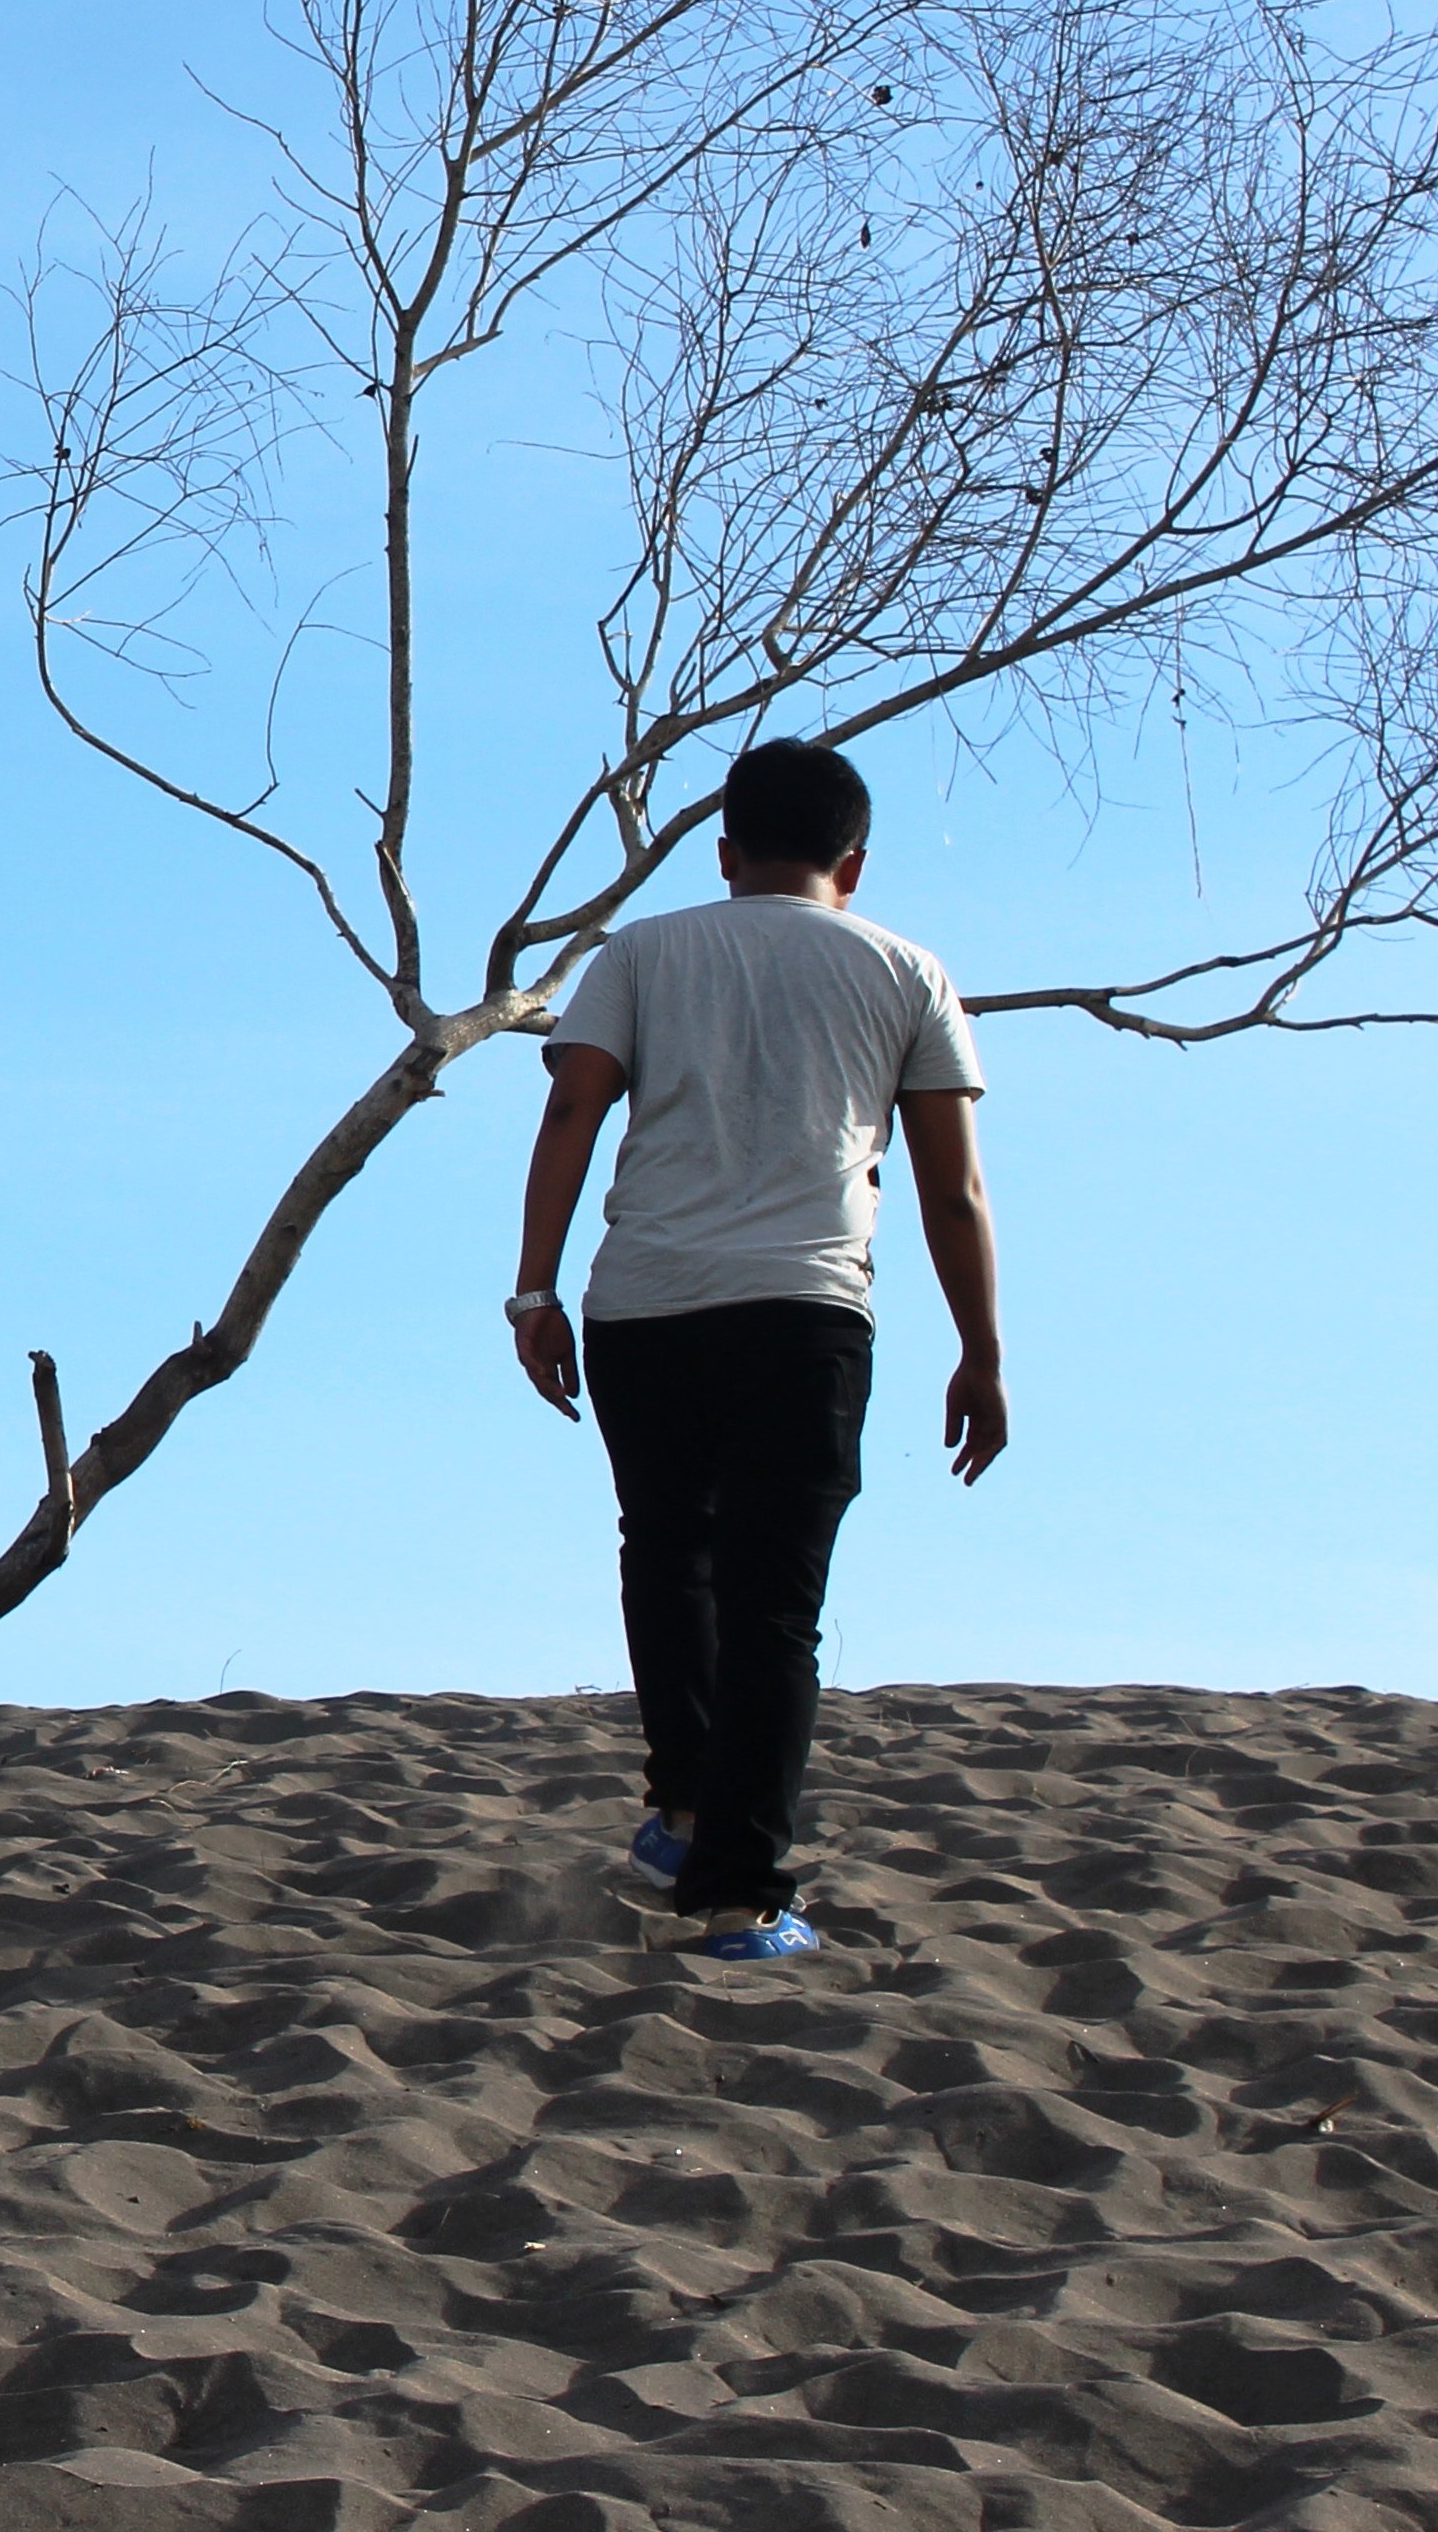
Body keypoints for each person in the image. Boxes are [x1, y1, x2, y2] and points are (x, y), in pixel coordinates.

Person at [508, 740, 1005, 1962]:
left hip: (645, 1303)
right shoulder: (907, 971)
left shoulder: (643, 953)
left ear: (724, 853)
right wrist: (981, 1349)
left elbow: (571, 1108)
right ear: (855, 860)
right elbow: (954, 1192)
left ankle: (679, 1804)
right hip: (805, 1308)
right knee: (776, 1604)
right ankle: (739, 1895)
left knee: (666, 1548)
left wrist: (533, 1292)